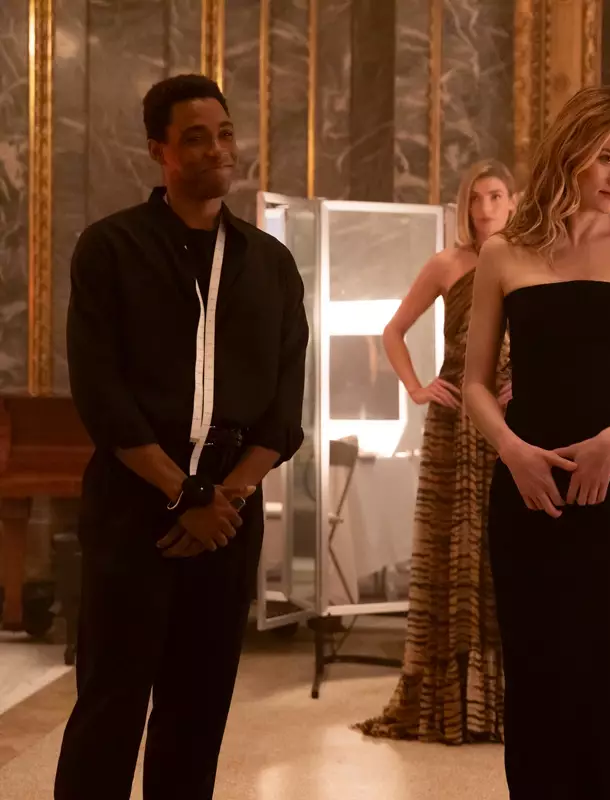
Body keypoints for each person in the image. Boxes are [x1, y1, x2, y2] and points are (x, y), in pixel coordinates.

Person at [56, 74, 308, 800]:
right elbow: (102, 395)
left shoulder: (270, 264)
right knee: (111, 703)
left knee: (198, 711)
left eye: (224, 133)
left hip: (228, 515)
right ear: (157, 151)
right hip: (134, 504)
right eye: (194, 138)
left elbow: (283, 408)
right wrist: (183, 494)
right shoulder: (110, 249)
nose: (216, 149)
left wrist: (221, 501)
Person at [462, 86, 610, 798]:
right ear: (571, 151)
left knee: (600, 677)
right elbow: (473, 383)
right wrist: (513, 451)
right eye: (607, 158)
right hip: (525, 489)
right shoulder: (504, 253)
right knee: (532, 675)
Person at [355, 160, 516, 744]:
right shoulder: (448, 264)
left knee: (508, 550)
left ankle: (510, 698)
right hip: (456, 419)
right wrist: (417, 387)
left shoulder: (529, 259)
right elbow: (392, 330)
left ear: (514, 201)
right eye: (476, 198)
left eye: (495, 196)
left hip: (513, 424)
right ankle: (453, 698)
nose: (486, 208)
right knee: (454, 549)